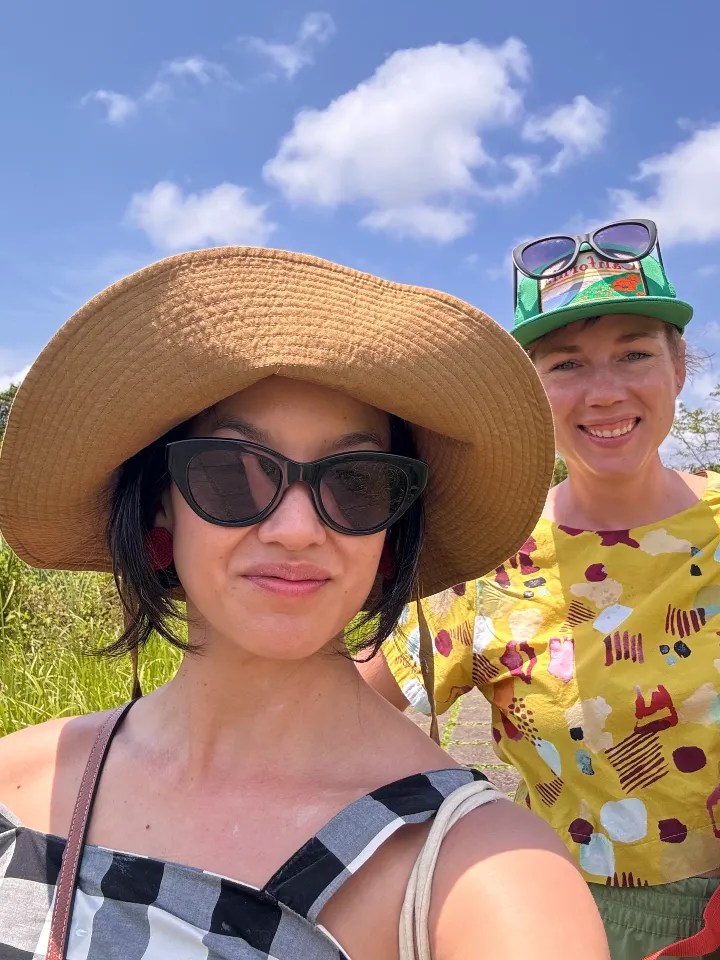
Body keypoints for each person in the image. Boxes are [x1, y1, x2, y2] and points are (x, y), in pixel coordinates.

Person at [0, 247, 608, 960]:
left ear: (392, 529)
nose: (295, 530)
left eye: (355, 483)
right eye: (231, 473)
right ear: (160, 512)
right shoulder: (20, 782)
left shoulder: (482, 876)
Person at [362, 220, 720, 959]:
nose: (605, 392)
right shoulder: (488, 556)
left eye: (634, 353)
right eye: (565, 365)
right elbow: (344, 706)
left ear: (679, 367)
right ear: (530, 390)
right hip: (566, 921)